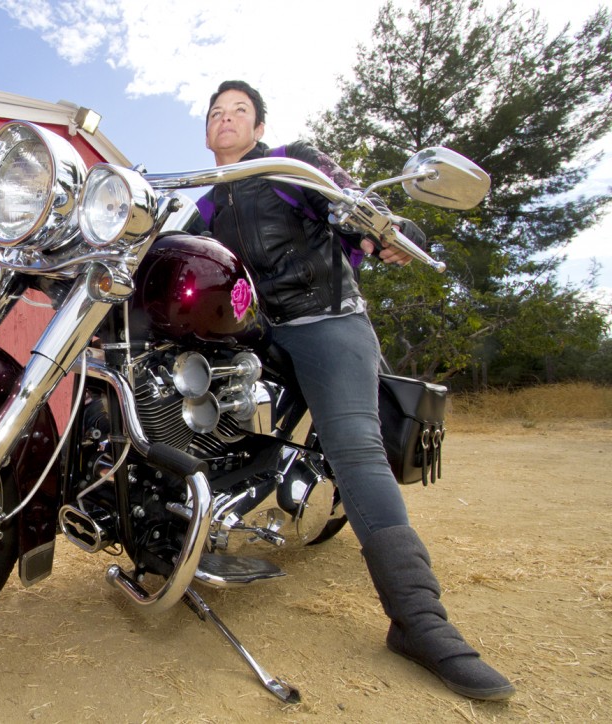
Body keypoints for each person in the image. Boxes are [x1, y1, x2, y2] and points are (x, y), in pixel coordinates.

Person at [200, 80, 515, 701]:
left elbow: (345, 200)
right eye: (215, 113)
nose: (226, 119)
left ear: (259, 127)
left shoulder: (292, 165)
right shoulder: (204, 203)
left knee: (354, 445)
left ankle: (418, 621)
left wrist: (385, 229)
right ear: (206, 133)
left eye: (239, 111)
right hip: (252, 333)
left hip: (323, 318)